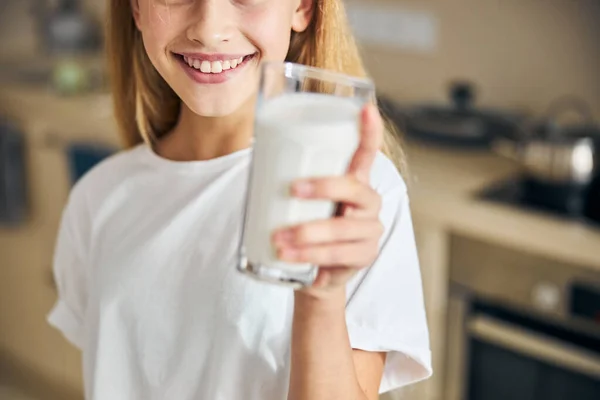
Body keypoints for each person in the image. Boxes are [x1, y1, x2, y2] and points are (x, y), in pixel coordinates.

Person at [47, 0, 432, 399]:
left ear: (302, 7)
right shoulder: (97, 197)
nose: (210, 30)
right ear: (137, 8)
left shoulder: (355, 196)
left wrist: (321, 295)